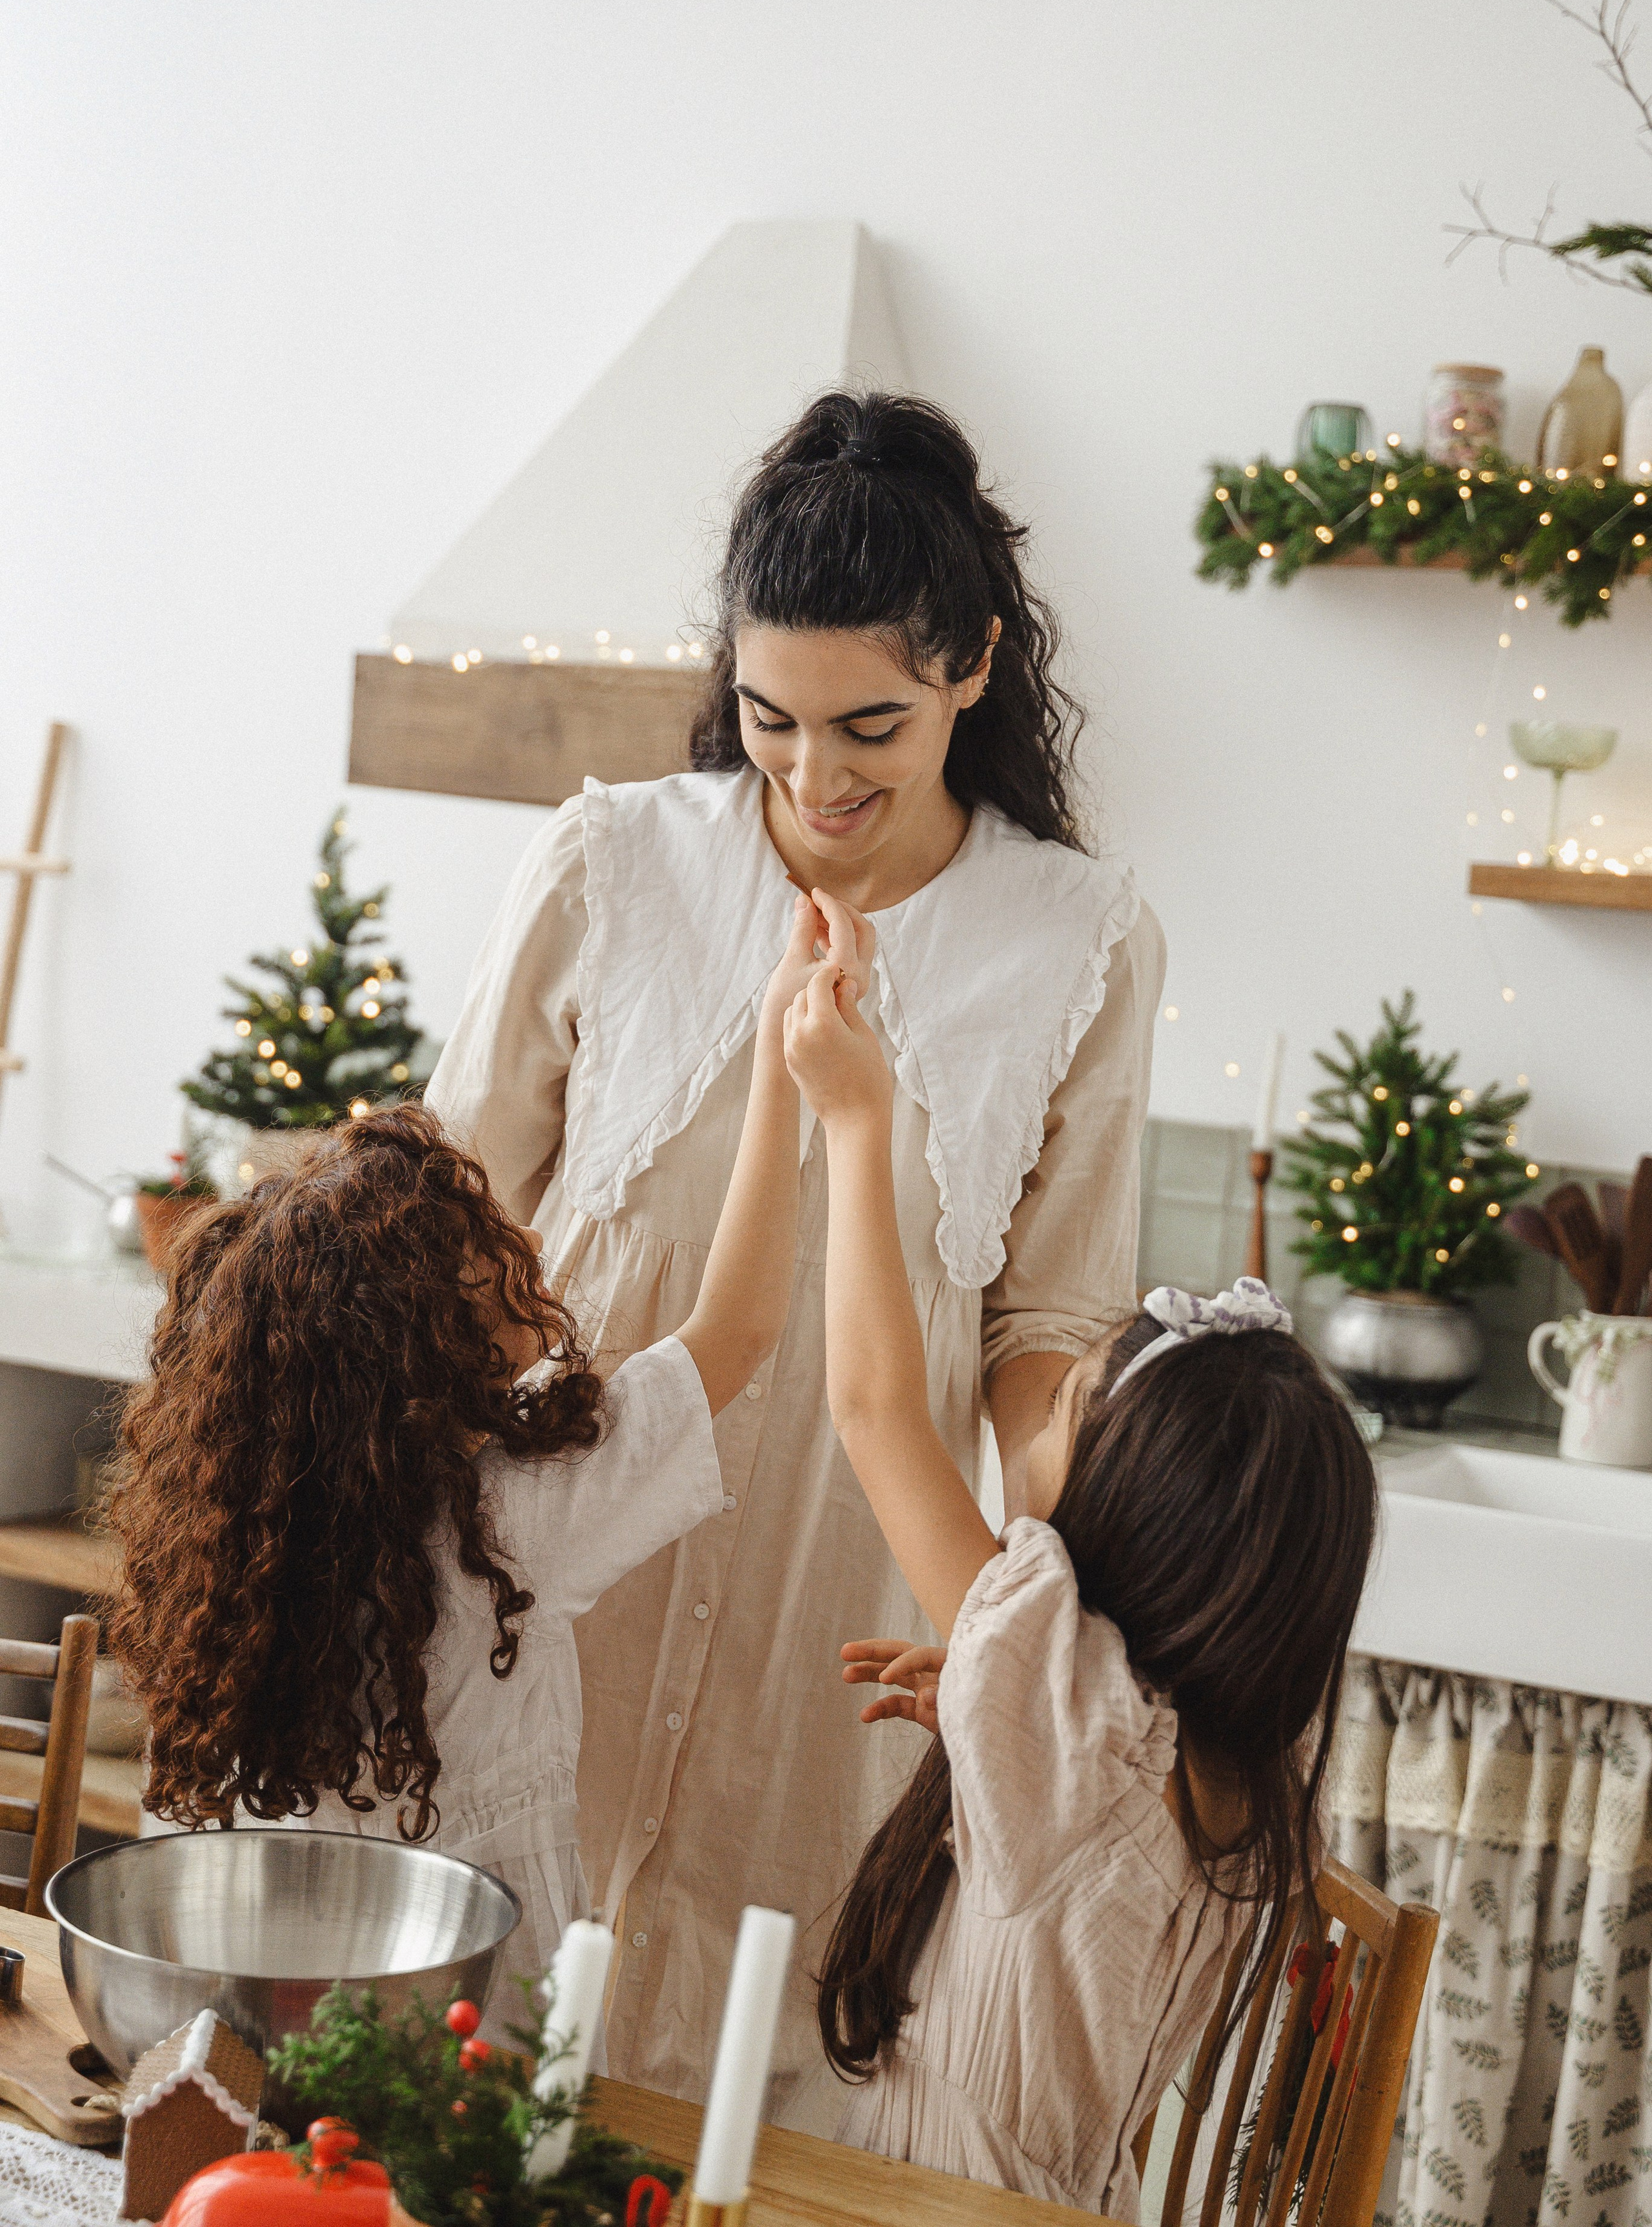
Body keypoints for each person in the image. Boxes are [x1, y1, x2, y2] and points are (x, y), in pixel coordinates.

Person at [426, 389, 1164, 2126]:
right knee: (477, 2084)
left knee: (765, 2116)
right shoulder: (612, 859)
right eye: (772, 720)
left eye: (872, 727)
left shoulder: (1080, 939)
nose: (816, 778)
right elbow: (445, 1211)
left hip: (830, 1640)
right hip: (550, 1604)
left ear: (973, 665)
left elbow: (1053, 1316)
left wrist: (1055, 1587)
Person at [103, 891, 839, 2031]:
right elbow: (739, 1326)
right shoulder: (513, 1513)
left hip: (247, 2002)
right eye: (490, 1247)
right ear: (423, 1338)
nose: (533, 1241)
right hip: (466, 2024)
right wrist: (787, 1069)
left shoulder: (246, 1545)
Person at [781, 959, 1380, 2217]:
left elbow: (877, 1408)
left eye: (1051, 1409)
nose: (1022, 1428)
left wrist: (852, 1117)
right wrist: (997, 1709)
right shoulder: (1227, 1763)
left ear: (1137, 1520)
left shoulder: (1076, 1724)